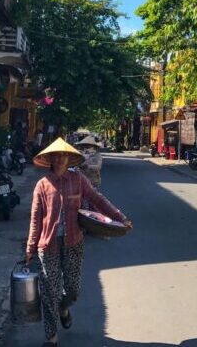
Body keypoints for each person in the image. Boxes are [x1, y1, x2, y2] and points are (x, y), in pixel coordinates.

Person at [26, 138, 132, 346]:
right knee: (50, 293)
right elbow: (35, 217)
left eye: (64, 155)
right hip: (48, 246)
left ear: (69, 159)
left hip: (74, 242)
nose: (60, 158)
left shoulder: (78, 179)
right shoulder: (42, 185)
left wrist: (120, 217)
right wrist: (30, 247)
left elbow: (97, 199)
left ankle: (64, 309)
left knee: (73, 290)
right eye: (56, 155)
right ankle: (51, 337)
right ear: (50, 158)